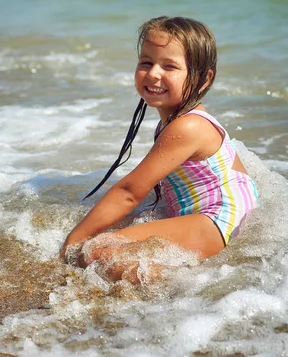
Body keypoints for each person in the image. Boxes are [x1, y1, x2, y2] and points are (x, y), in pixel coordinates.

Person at [60, 16, 259, 282]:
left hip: (217, 221)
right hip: (213, 215)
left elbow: (129, 192)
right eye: (146, 62)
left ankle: (173, 292)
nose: (153, 73)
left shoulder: (188, 127)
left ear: (203, 79)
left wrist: (73, 241)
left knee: (95, 251)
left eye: (169, 66)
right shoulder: (179, 120)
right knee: (114, 233)